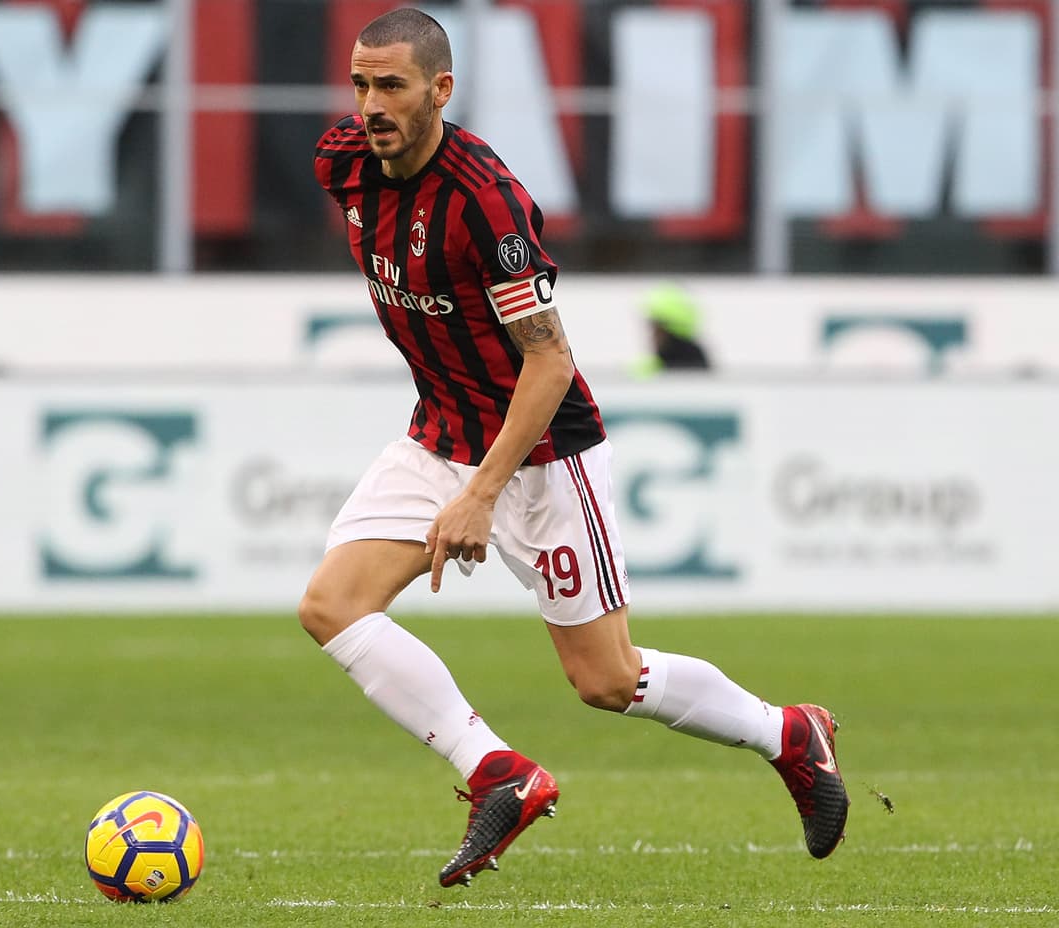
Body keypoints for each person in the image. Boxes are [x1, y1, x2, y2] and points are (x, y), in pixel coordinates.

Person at [302, 8, 848, 889]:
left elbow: (550, 362)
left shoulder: (487, 203)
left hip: (540, 454)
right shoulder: (343, 164)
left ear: (442, 90)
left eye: (393, 86)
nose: (372, 105)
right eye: (362, 84)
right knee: (331, 604)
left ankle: (788, 734)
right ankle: (498, 773)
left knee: (606, 679)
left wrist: (482, 492)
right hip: (438, 431)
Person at [631, 283, 711, 377]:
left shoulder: (658, 373)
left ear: (668, 330)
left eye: (655, 327)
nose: (651, 335)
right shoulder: (699, 367)